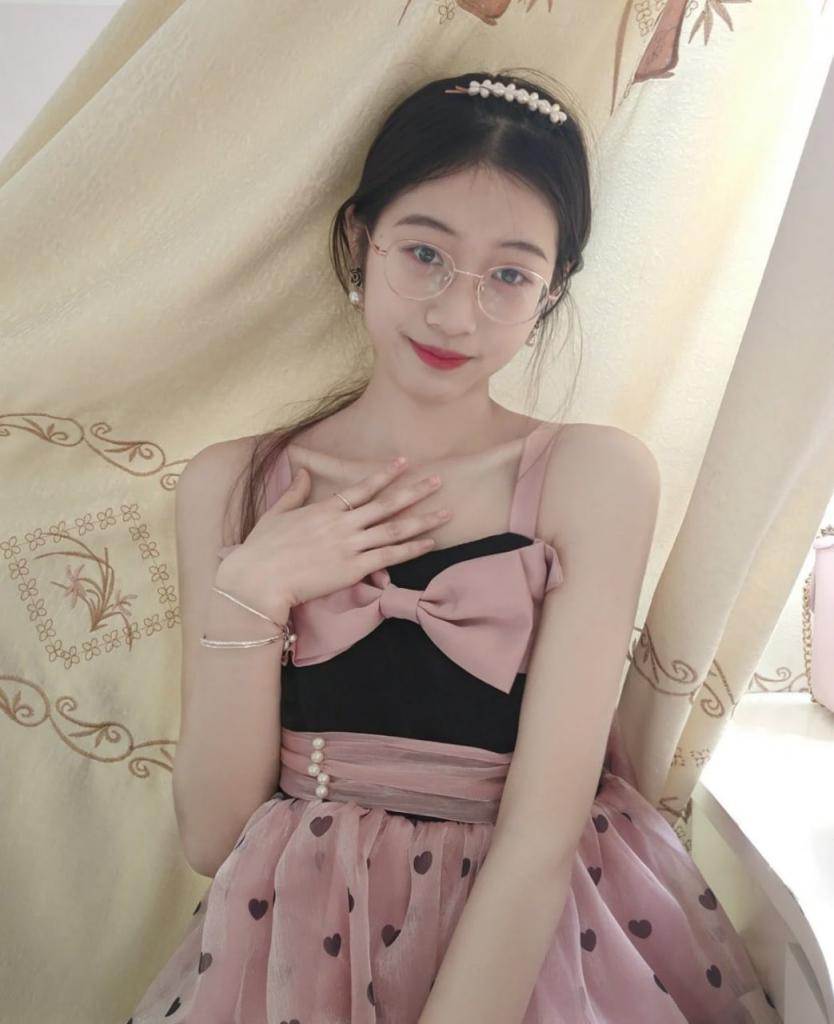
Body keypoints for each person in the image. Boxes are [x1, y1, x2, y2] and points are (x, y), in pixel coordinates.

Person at [126, 70, 780, 1023]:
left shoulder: (593, 477)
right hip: (292, 936)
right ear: (362, 241)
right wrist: (254, 588)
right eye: (425, 253)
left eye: (509, 275)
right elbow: (213, 835)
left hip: (534, 942)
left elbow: (544, 832)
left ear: (552, 291)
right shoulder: (234, 484)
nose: (454, 313)